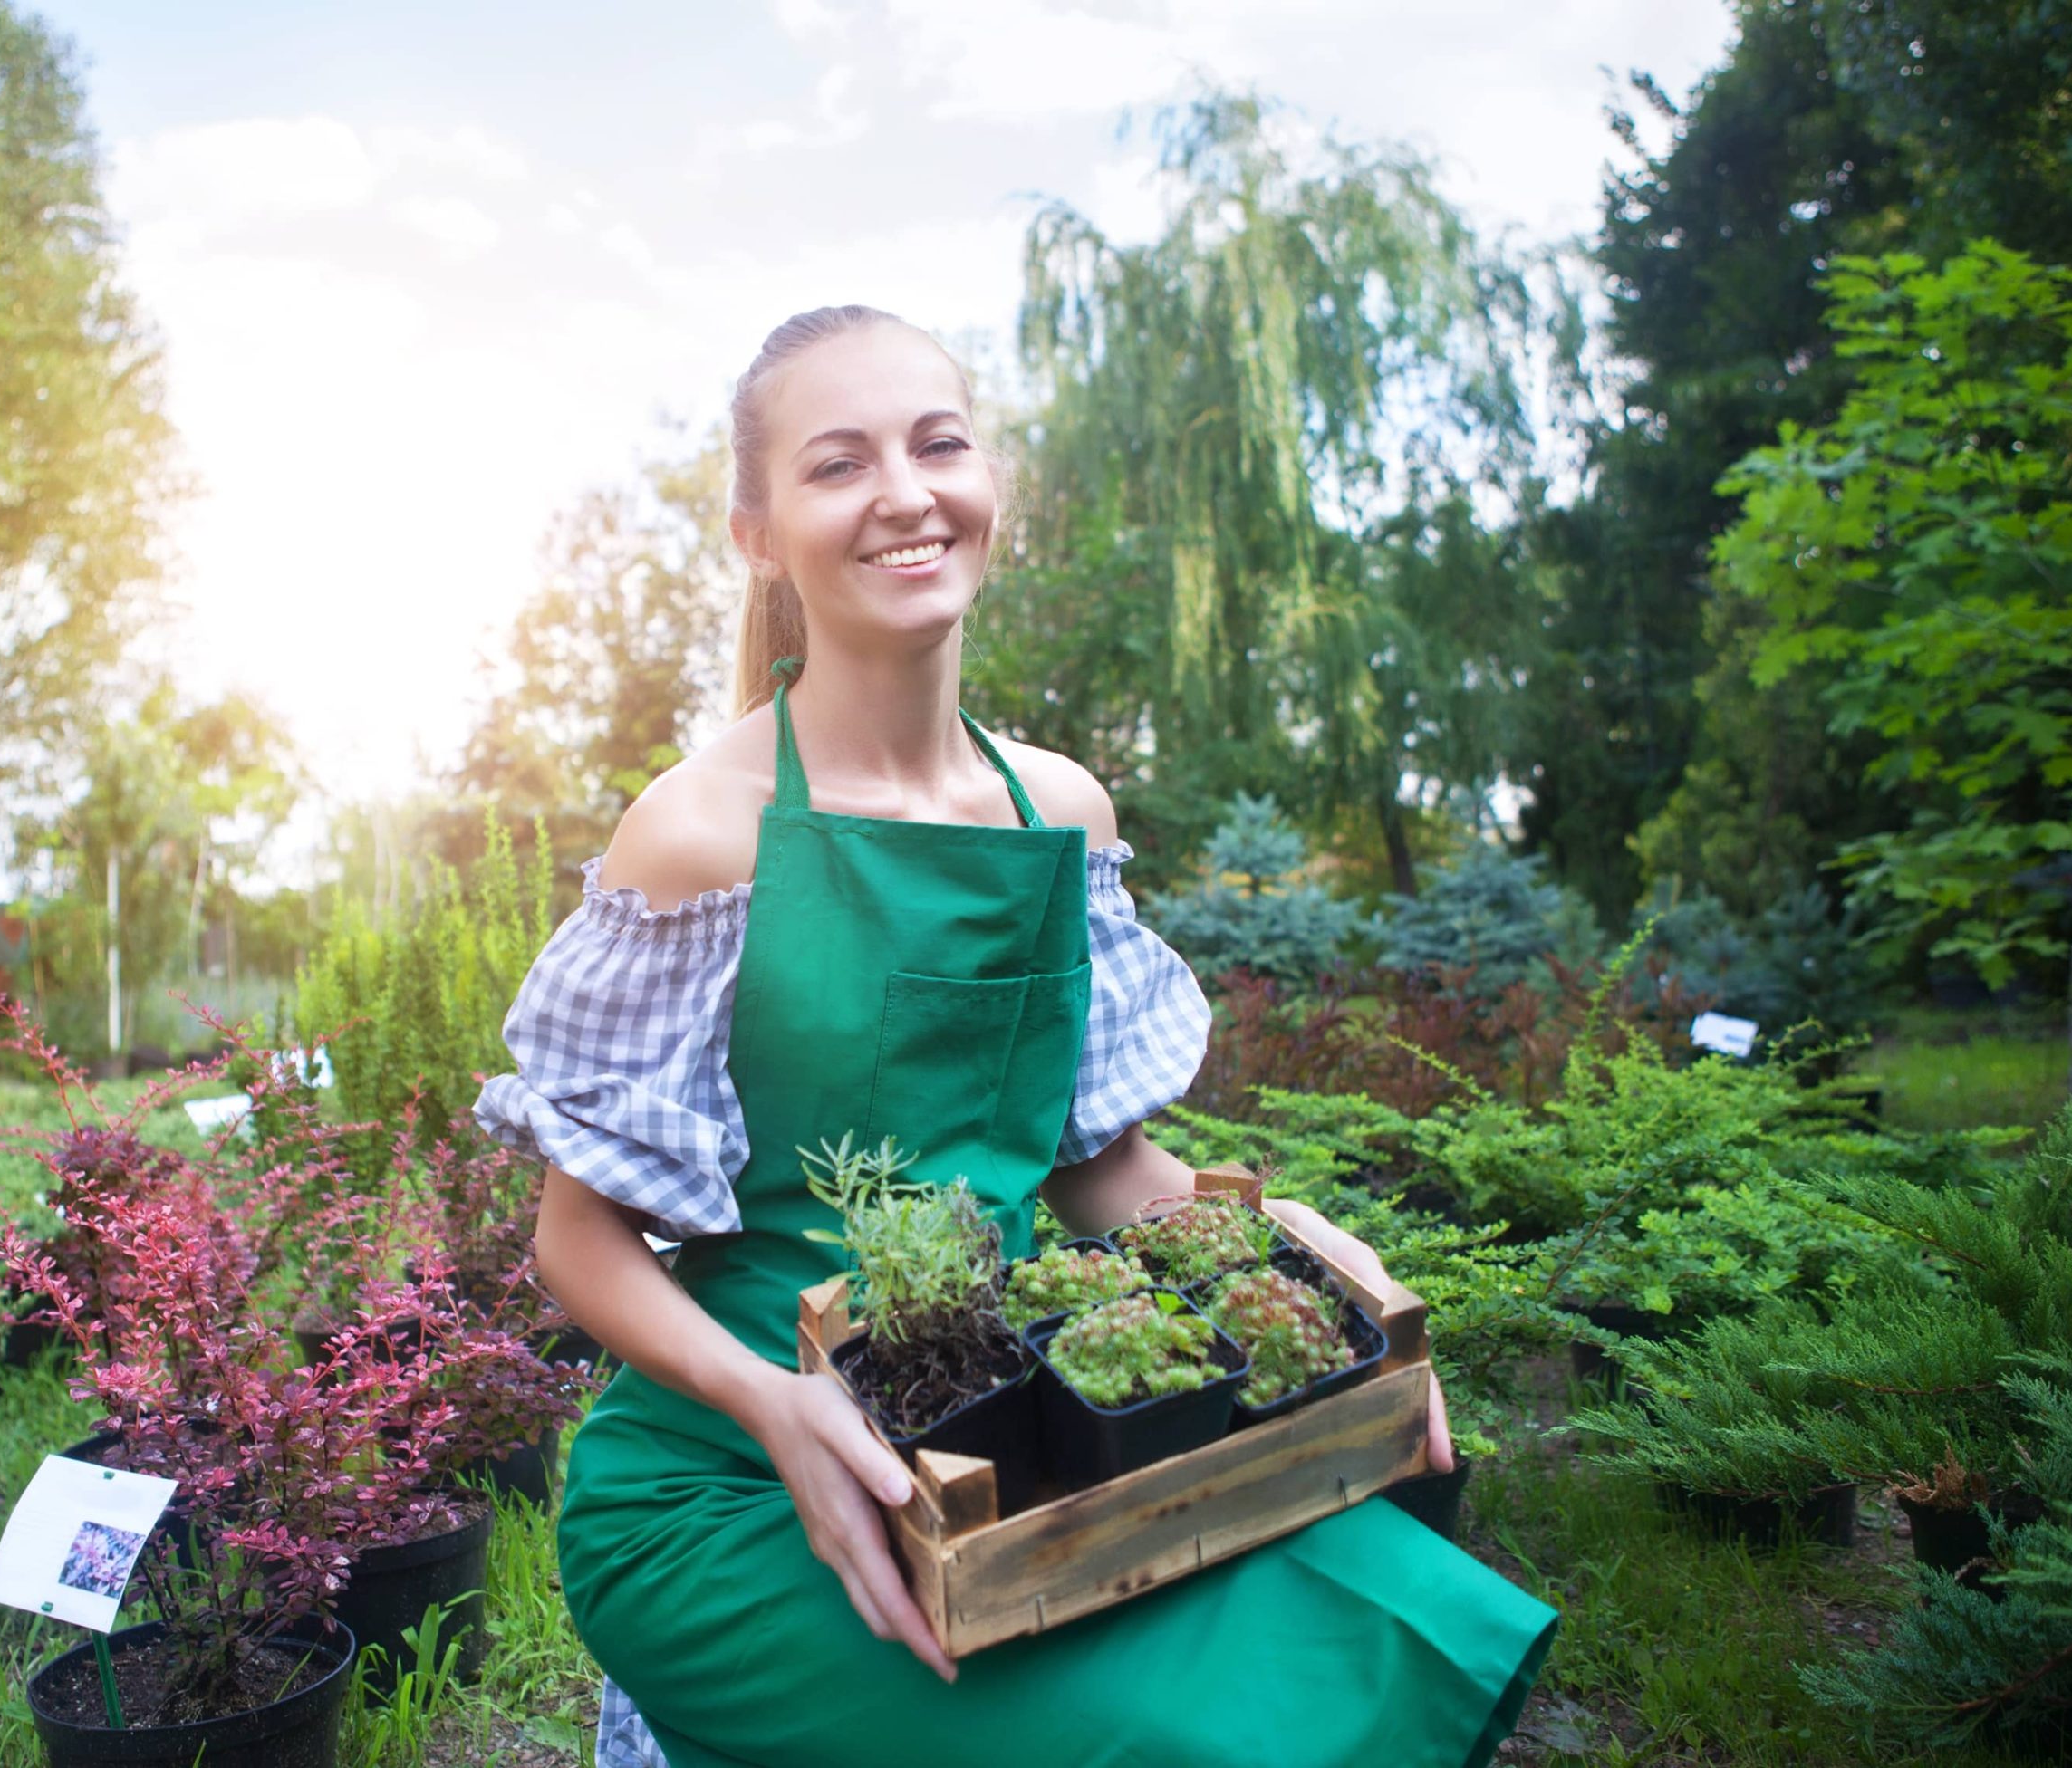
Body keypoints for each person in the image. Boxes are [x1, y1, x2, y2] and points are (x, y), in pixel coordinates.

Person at [470, 304, 1556, 1768]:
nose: (906, 494)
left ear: (992, 486)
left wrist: (1282, 1241)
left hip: (1015, 1446)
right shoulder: (702, 835)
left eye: (939, 444)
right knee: (1185, 1736)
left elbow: (1092, 1170)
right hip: (729, 1480)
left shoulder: (1063, 812)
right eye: (839, 463)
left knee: (1387, 1613)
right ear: (758, 533)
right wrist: (776, 1403)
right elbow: (577, 1243)